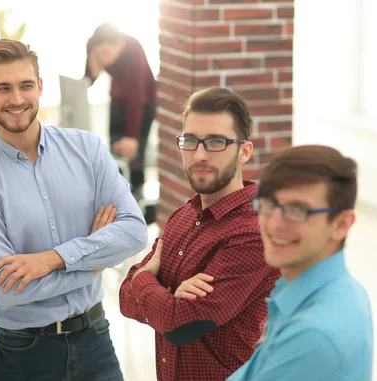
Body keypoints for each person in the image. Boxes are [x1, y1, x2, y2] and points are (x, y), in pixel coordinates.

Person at [0, 39, 148, 381]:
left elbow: (133, 231)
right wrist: (93, 262)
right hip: (23, 353)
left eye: (26, 85)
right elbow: (9, 288)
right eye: (3, 88)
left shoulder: (87, 149)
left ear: (40, 87)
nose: (16, 99)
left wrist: (53, 258)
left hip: (95, 339)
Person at [119, 87, 281, 381]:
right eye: (190, 141)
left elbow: (181, 326)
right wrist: (166, 299)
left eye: (216, 142)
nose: (200, 154)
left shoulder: (253, 233)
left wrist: (144, 279)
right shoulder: (183, 216)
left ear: (244, 151)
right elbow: (123, 298)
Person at [227, 145, 373, 381]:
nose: (274, 224)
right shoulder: (344, 289)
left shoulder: (314, 336)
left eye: (297, 210)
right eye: (269, 204)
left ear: (341, 224)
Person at [85, 23, 157, 191]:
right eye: (100, 53)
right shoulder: (92, 45)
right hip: (118, 98)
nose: (104, 58)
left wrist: (132, 137)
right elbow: (87, 81)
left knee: (135, 156)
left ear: (120, 45)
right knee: (115, 151)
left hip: (144, 102)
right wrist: (93, 70)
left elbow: (136, 97)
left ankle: (138, 196)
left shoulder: (133, 49)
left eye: (107, 53)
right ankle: (115, 194)